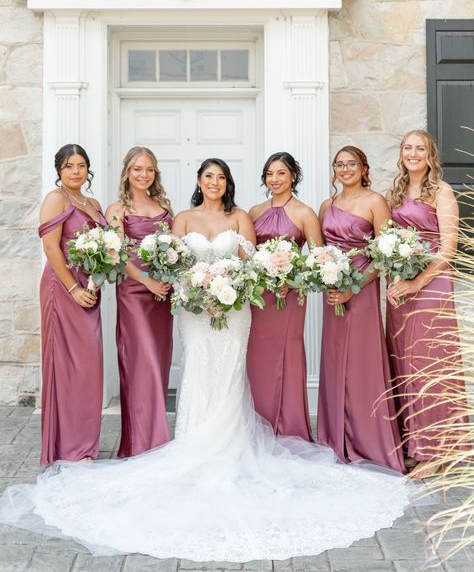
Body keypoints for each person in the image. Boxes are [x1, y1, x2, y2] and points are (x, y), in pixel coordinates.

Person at [0, 158, 412, 562]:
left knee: (231, 374)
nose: (214, 182)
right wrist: (198, 290)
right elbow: (175, 264)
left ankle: (231, 443)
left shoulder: (241, 218)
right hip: (196, 311)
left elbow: (254, 264)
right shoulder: (181, 217)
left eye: (221, 177)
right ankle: (192, 442)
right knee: (199, 370)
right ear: (199, 181)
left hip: (235, 311)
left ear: (228, 183)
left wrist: (230, 287)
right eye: (208, 176)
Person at [386, 130, 469, 479]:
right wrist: (394, 278)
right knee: (403, 362)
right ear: (402, 154)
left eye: (420, 148)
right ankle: (415, 444)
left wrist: (417, 281)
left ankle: (437, 450)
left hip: (432, 285)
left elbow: (448, 248)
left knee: (430, 364)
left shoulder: (442, 192)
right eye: (408, 148)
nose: (413, 153)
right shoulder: (394, 193)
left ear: (430, 154)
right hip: (400, 289)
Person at [317, 146, 405, 472]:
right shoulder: (328, 205)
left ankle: (369, 440)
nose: (345, 169)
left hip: (362, 292)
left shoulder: (375, 202)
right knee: (335, 358)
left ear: (364, 167)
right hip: (332, 290)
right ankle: (335, 437)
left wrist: (353, 287)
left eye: (351, 163)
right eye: (339, 164)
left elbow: (384, 256)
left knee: (362, 362)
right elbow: (320, 251)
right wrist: (327, 277)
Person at [247, 152, 323, 440]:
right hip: (260, 296)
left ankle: (290, 428)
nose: (274, 179)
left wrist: (291, 279)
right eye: (269, 173)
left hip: (289, 295)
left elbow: (317, 258)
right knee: (259, 358)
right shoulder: (254, 211)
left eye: (281, 173)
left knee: (288, 354)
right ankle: (261, 426)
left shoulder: (305, 213)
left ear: (293, 176)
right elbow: (248, 253)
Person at [38, 144, 106, 465]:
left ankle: (84, 442)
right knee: (67, 365)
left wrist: (95, 279)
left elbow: (105, 249)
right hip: (63, 287)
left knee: (88, 366)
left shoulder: (92, 203)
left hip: (89, 288)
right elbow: (52, 248)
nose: (75, 171)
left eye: (81, 166)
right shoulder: (56, 199)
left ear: (88, 169)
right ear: (59, 171)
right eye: (68, 167)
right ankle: (68, 447)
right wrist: (73, 289)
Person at [106, 147, 174, 457]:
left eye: (149, 169)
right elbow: (117, 256)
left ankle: (155, 439)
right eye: (137, 169)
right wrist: (145, 280)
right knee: (140, 364)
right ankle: (143, 445)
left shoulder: (164, 207)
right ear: (127, 172)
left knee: (158, 365)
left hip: (162, 294)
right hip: (134, 293)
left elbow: (174, 248)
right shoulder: (117, 209)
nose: (144, 175)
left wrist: (168, 278)